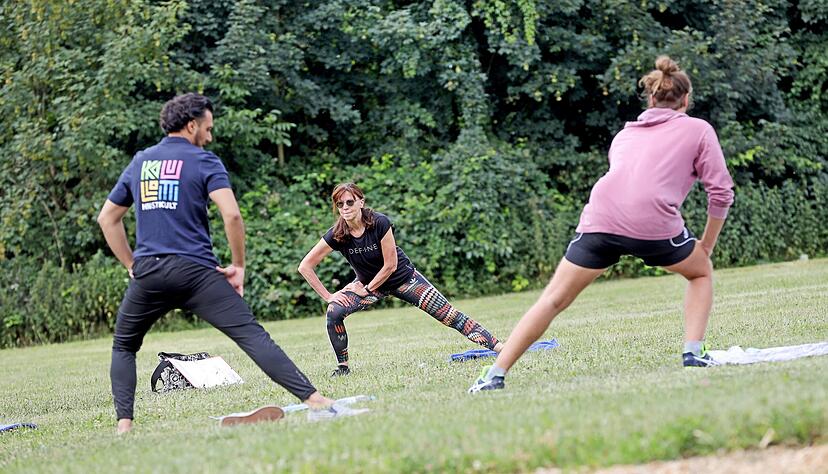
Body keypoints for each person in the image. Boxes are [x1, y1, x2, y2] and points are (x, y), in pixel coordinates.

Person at [98, 93, 364, 433]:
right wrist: (238, 265)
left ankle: (124, 427)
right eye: (207, 129)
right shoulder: (203, 160)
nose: (209, 136)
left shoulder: (140, 163)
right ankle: (317, 403)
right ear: (191, 125)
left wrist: (131, 265)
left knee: (124, 345)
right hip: (196, 272)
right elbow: (232, 215)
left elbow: (108, 218)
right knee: (252, 336)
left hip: (149, 271)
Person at [468, 56, 735, 392]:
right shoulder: (698, 129)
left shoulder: (624, 135)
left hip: (600, 217)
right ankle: (694, 353)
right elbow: (721, 193)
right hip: (652, 223)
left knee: (552, 299)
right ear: (685, 100)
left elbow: (626, 181)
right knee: (700, 271)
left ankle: (494, 374)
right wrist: (706, 247)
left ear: (651, 98)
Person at [298, 183, 504, 376]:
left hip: (403, 278)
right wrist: (329, 296)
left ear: (361, 202)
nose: (345, 207)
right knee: (334, 312)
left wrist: (367, 289)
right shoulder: (337, 234)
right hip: (369, 284)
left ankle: (500, 348)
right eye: (339, 204)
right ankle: (343, 367)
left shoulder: (379, 222)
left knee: (450, 316)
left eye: (350, 202)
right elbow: (305, 266)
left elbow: (390, 266)